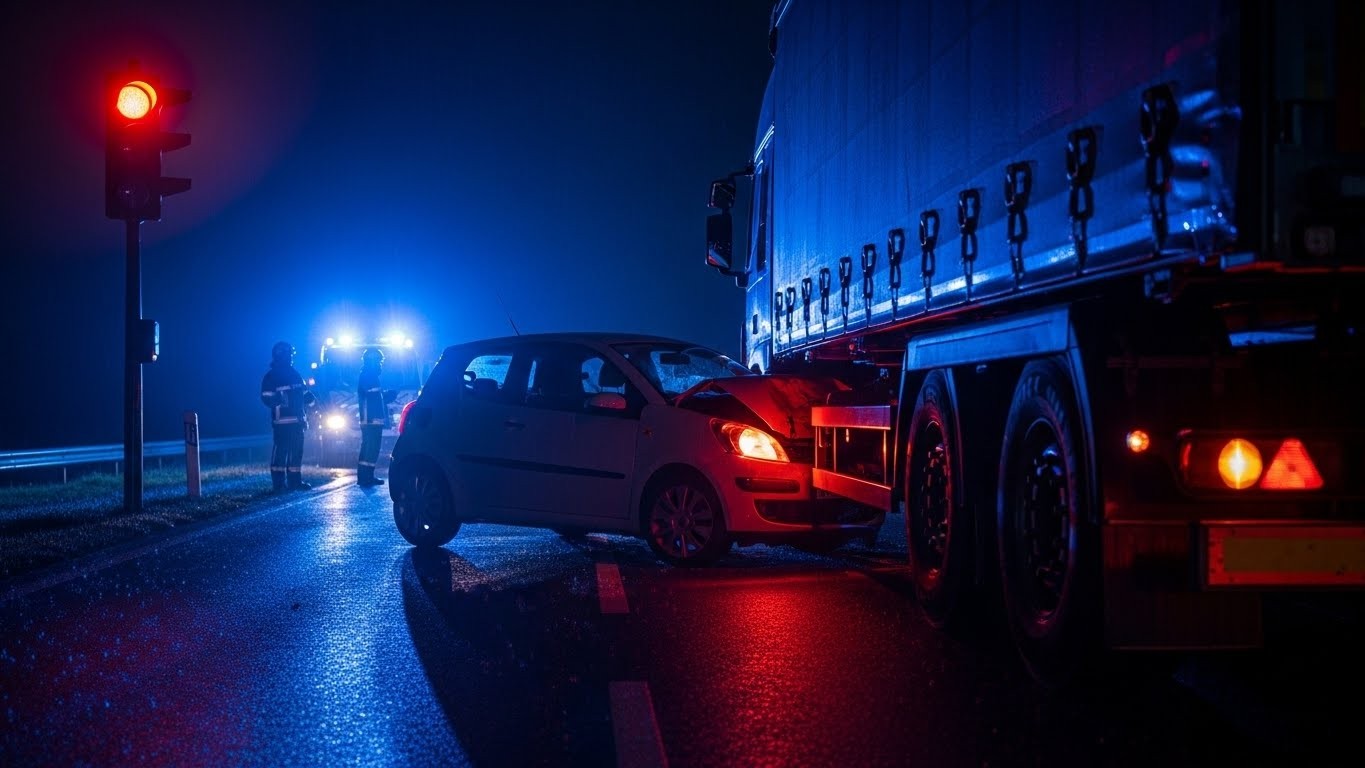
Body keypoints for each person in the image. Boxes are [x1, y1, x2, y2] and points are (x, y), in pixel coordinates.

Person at [260, 341, 316, 491]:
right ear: (282, 356)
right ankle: (278, 484)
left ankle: (294, 482)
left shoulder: (295, 374)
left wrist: (309, 399)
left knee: (296, 453)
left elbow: (303, 394)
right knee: (281, 452)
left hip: (297, 421)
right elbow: (266, 397)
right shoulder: (271, 376)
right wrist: (276, 400)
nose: (290, 358)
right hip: (282, 422)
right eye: (289, 355)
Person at [356, 347, 397, 486]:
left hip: (372, 418)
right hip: (371, 418)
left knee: (370, 448)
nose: (380, 364)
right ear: (372, 361)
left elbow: (374, 395)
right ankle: (365, 477)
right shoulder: (369, 376)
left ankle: (366, 476)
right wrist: (386, 396)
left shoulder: (369, 375)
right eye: (379, 361)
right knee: (371, 448)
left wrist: (384, 395)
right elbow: (372, 395)